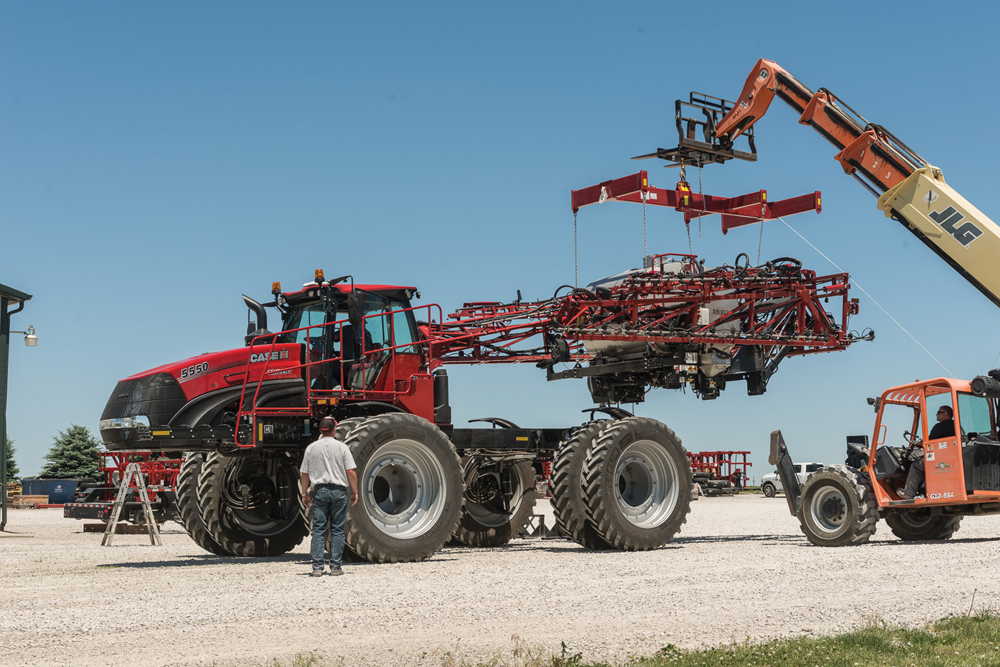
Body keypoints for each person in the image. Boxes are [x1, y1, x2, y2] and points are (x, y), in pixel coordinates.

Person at [300, 416, 358, 576]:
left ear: (320, 430)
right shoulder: (342, 447)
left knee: (318, 529)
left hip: (319, 491)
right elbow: (351, 471)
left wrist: (304, 493)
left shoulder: (311, 448)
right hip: (339, 491)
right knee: (337, 530)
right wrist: (355, 491)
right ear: (334, 430)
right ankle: (335, 567)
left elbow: (304, 473)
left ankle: (317, 568)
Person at [898, 405, 955, 499]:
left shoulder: (940, 427)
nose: (936, 414)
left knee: (916, 465)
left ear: (946, 414)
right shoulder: (956, 426)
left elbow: (929, 442)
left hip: (939, 458)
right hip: (951, 457)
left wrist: (918, 443)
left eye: (939, 412)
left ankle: (909, 492)